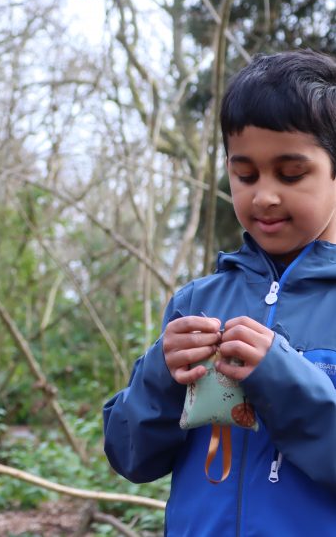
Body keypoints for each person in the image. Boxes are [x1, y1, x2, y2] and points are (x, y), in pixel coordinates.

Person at [103, 49, 336, 536]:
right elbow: (129, 456)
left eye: (291, 174)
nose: (263, 196)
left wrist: (283, 379)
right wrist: (160, 376)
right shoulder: (195, 301)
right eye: (244, 174)